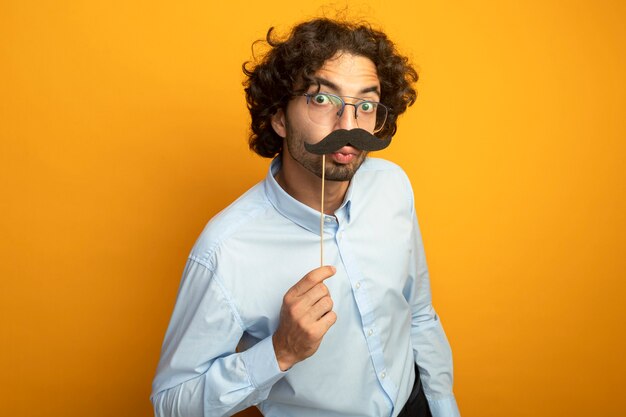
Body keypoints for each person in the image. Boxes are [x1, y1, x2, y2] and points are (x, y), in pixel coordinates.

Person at [151, 17, 460, 417]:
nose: (348, 126)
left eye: (365, 105)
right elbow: (171, 404)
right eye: (322, 100)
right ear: (279, 117)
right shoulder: (225, 249)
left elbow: (418, 312)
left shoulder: (392, 187)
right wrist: (279, 351)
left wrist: (442, 406)